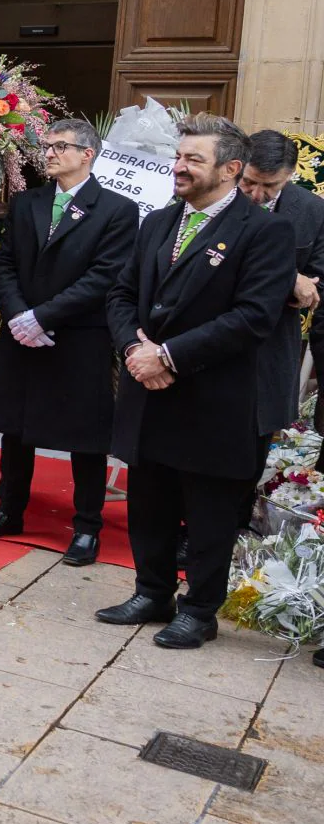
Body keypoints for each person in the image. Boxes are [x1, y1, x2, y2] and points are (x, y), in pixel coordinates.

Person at [99, 114, 294, 651]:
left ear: (231, 169)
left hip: (215, 398)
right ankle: (152, 592)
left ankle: (200, 609)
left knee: (208, 512)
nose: (178, 167)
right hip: (149, 390)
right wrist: (135, 350)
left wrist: (169, 356)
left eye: (193, 160)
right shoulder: (158, 222)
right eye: (178, 157)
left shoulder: (266, 232)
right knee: (150, 500)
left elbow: (253, 316)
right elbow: (120, 294)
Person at [0, 119, 139, 567]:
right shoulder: (28, 202)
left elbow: (106, 276)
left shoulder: (116, 209)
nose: (48, 153)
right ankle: (9, 510)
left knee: (84, 436)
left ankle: (87, 527)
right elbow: (3, 262)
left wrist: (44, 316)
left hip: (78, 336)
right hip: (22, 331)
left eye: (59, 147)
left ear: (88, 154)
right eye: (46, 146)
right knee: (16, 429)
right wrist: (18, 315)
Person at [240, 130, 324, 428]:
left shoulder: (313, 211)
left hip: (271, 347)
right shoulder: (214, 199)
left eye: (270, 186)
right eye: (249, 182)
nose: (257, 195)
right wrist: (289, 276)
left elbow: (316, 284)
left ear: (289, 177)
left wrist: (299, 284)